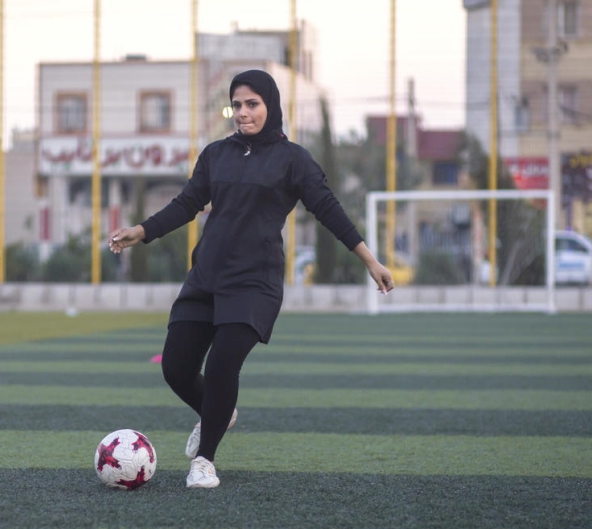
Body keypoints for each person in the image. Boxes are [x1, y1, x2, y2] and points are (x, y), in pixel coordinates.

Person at [108, 69, 393, 489]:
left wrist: (369, 259)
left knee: (223, 364)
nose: (243, 113)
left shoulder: (293, 159)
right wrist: (142, 231)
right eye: (236, 105)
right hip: (205, 277)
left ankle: (204, 460)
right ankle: (219, 412)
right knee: (175, 367)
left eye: (252, 104)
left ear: (271, 106)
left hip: (254, 284)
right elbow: (188, 203)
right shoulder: (215, 154)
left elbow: (328, 209)